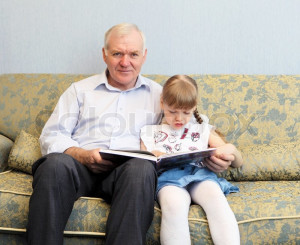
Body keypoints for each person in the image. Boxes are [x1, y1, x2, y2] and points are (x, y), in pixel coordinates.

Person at [26, 23, 163, 245]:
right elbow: (52, 135)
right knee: (53, 164)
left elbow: (183, 131)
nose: (125, 62)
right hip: (80, 167)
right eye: (117, 53)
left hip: (129, 173)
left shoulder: (159, 95)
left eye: (133, 54)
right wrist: (81, 154)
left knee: (141, 168)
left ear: (144, 56)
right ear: (104, 54)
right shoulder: (79, 90)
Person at [140, 75, 243, 245]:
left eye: (186, 112)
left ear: (194, 107)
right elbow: (142, 162)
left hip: (200, 176)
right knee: (173, 205)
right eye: (172, 111)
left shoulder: (200, 129)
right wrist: (154, 155)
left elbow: (234, 158)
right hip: (168, 180)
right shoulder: (150, 132)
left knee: (216, 200)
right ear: (162, 103)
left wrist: (229, 151)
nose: (179, 119)